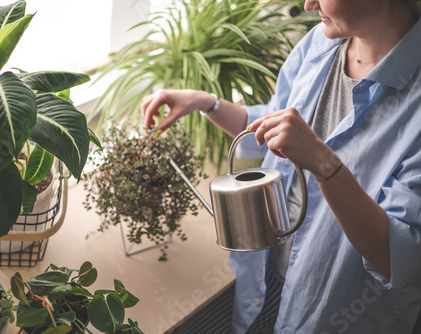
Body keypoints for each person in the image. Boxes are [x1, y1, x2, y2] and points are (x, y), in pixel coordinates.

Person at [141, 0, 421, 333]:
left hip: (334, 308)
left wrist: (324, 164)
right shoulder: (321, 41)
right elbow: (276, 123)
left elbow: (398, 257)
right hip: (272, 276)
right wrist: (209, 103)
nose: (308, 4)